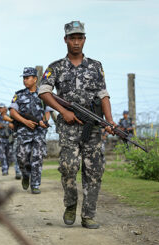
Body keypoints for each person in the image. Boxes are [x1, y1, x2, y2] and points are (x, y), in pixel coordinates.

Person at [39, 21, 116, 229]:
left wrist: (109, 121)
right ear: (65, 39)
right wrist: (63, 111)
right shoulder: (56, 67)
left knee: (94, 170)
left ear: (84, 39)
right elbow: (43, 91)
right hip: (68, 127)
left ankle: (88, 215)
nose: (76, 42)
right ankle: (71, 204)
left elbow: (103, 95)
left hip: (93, 125)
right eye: (72, 38)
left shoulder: (95, 66)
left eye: (79, 38)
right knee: (68, 167)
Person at [9, 67, 50, 194]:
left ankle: (35, 184)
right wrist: (25, 121)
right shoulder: (19, 95)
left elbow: (48, 111)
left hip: (39, 132)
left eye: (27, 78)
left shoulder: (43, 95)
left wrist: (44, 121)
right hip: (23, 131)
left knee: (37, 157)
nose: (25, 80)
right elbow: (12, 112)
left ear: (35, 79)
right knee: (22, 157)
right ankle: (26, 175)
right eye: (24, 78)